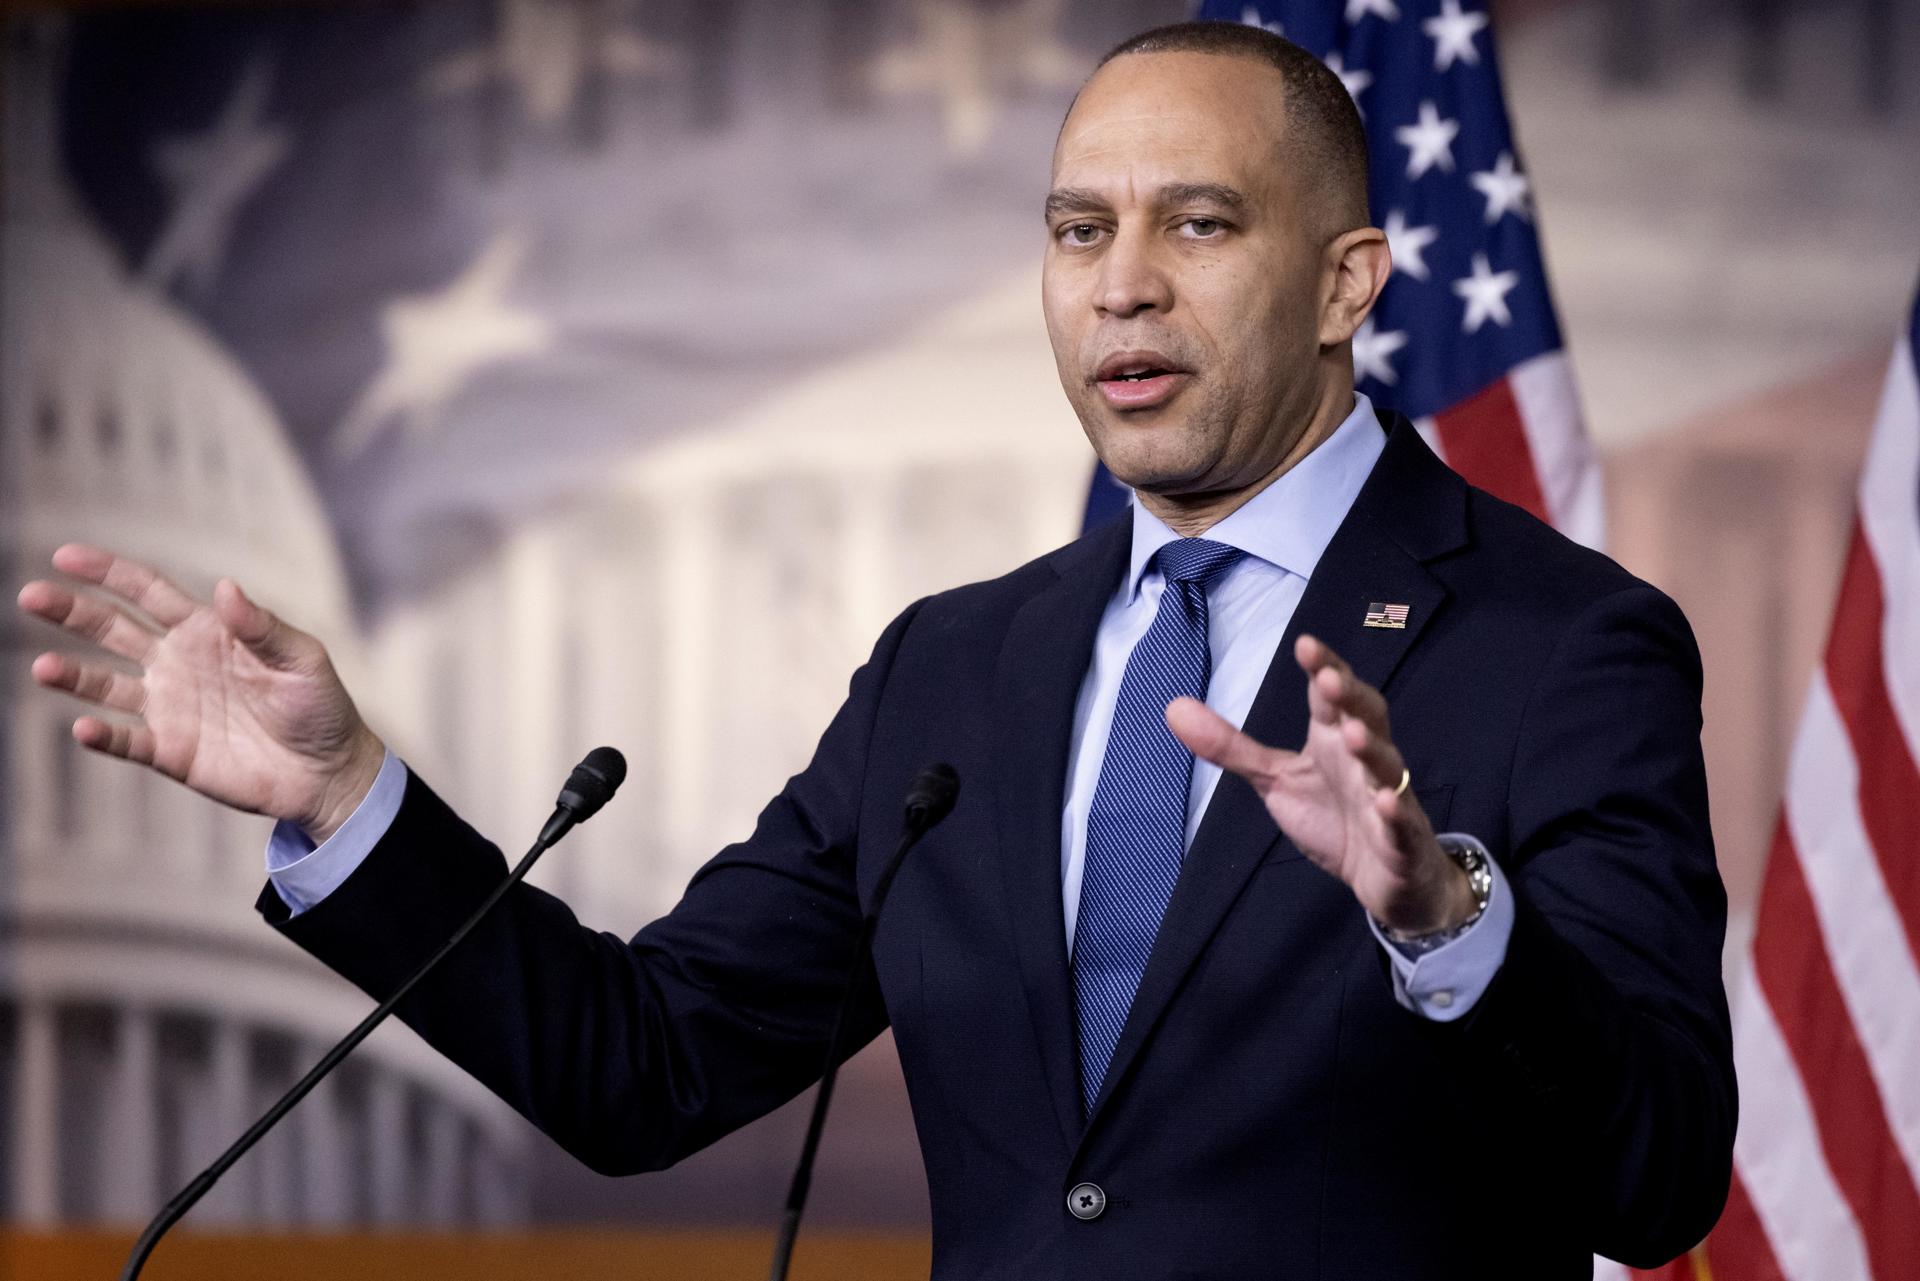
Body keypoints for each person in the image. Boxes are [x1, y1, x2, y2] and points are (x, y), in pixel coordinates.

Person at [15, 21, 1734, 1279]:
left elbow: (1659, 1179)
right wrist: (347, 797)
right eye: (1081, 230)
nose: (1122, 288)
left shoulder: (1561, 644)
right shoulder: (956, 671)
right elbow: (647, 1060)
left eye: (1198, 225)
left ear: (1350, 281)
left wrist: (1449, 923)